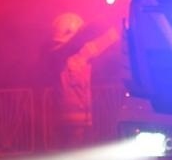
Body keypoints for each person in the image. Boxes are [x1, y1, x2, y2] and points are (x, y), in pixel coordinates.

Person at [42, 13, 119, 149]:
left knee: (66, 154)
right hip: (74, 119)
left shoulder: (64, 56)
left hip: (65, 118)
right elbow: (109, 38)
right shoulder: (74, 56)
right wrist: (115, 23)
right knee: (74, 154)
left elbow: (106, 40)